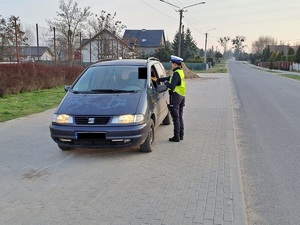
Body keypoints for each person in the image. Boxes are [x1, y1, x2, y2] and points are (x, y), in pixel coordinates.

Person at [152, 55, 186, 142]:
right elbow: (169, 78)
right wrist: (158, 79)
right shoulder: (180, 72)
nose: (172, 65)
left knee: (175, 117)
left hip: (176, 96)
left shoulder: (176, 74)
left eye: (172, 64)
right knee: (180, 116)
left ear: (175, 64)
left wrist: (166, 83)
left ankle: (176, 137)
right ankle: (181, 135)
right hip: (182, 96)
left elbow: (171, 85)